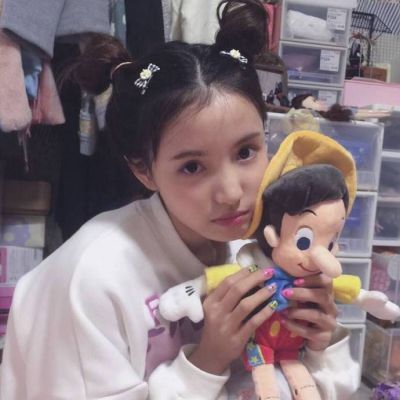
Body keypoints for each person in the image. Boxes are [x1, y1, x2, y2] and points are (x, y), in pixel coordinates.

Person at [0, 1, 359, 399]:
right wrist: (207, 362)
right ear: (143, 170)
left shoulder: (258, 249)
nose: (232, 193)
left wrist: (321, 346)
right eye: (192, 167)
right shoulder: (91, 278)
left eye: (245, 152)